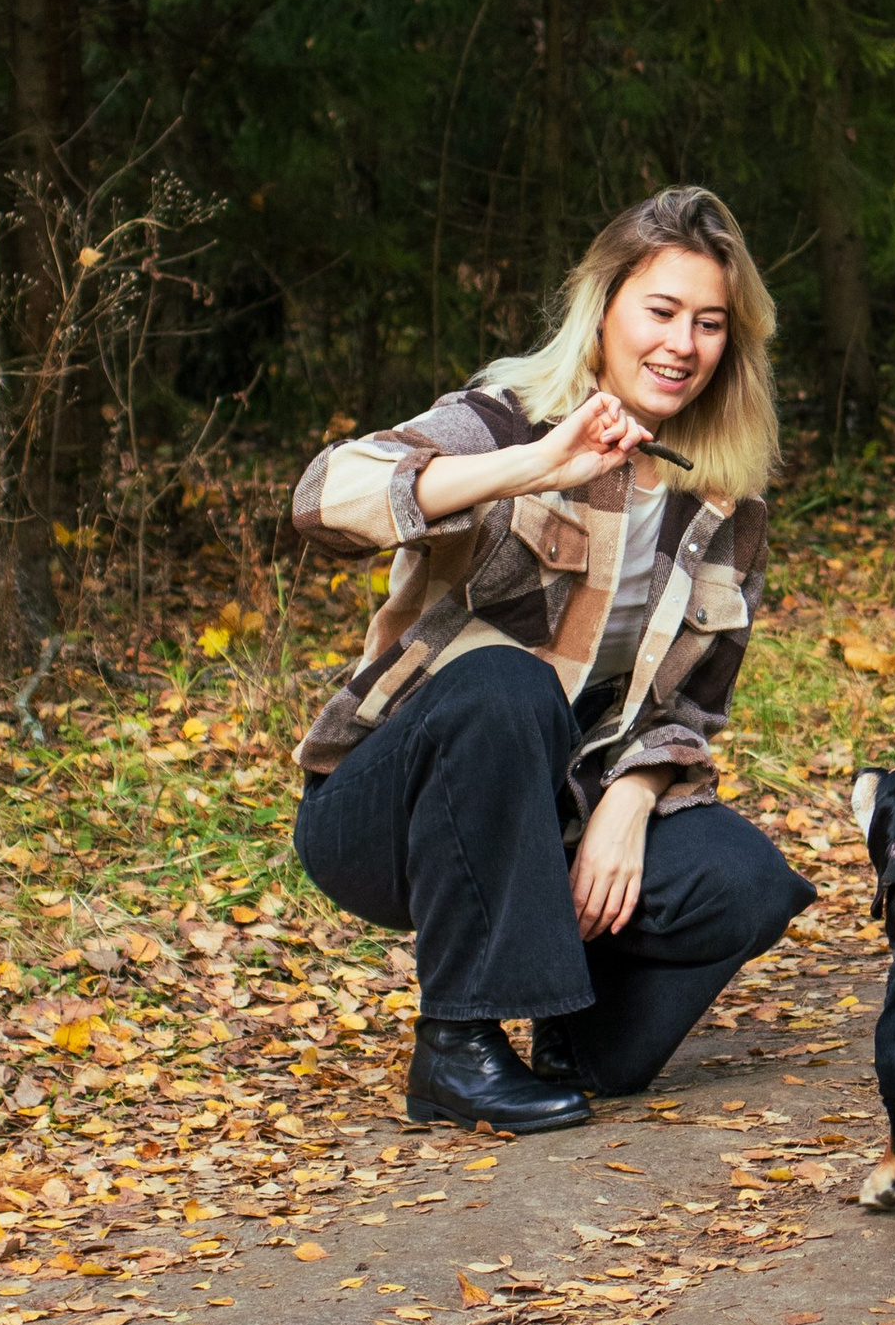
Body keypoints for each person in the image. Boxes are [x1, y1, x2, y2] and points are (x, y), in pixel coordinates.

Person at [288, 186, 815, 1133]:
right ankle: (456, 1046)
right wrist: (537, 465)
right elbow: (322, 501)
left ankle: (571, 1036)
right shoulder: (504, 420)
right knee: (506, 680)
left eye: (709, 323)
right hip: (386, 814)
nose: (682, 345)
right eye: (660, 311)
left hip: (556, 817)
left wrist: (630, 797)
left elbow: (691, 711)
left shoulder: (727, 508)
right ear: (604, 308)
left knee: (747, 883)